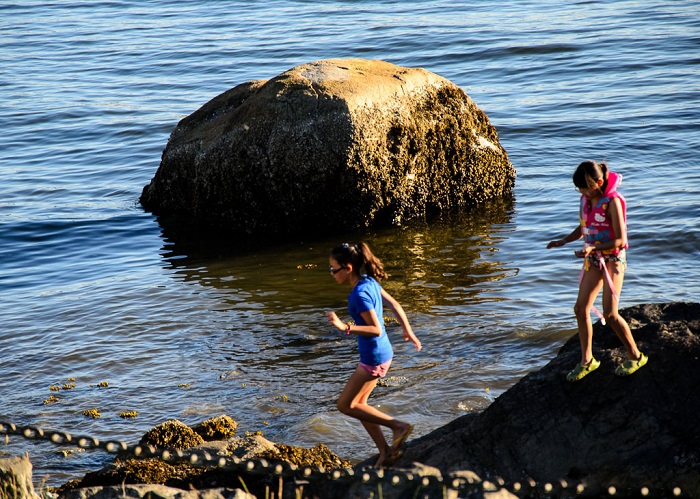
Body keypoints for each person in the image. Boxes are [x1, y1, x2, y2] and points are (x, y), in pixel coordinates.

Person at [546, 160, 648, 382]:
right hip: (593, 259)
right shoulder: (586, 200)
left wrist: (593, 247)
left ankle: (636, 355)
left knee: (610, 313)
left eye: (585, 187)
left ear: (599, 182)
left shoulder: (613, 202)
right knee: (580, 308)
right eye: (579, 188)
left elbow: (620, 239)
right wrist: (564, 240)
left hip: (613, 259)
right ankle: (587, 360)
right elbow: (585, 227)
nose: (582, 192)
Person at [325, 242, 422, 467]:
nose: (331, 274)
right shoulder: (370, 282)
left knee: (345, 405)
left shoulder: (358, 294)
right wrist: (408, 330)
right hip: (380, 353)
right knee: (360, 404)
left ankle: (398, 426)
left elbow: (376, 328)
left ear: (348, 268)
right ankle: (385, 451)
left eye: (334, 269)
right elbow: (395, 305)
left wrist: (344, 327)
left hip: (374, 358)